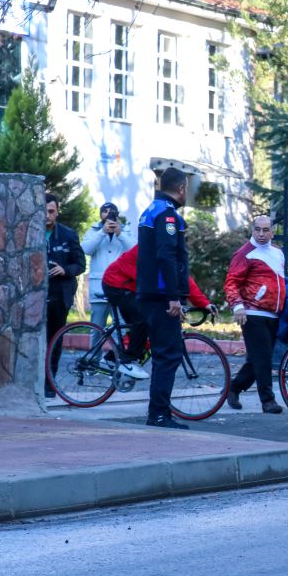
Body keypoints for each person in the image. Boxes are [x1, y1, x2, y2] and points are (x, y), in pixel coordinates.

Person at [102, 245, 216, 378]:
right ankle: (129, 360)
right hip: (116, 284)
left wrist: (204, 304)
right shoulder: (150, 247)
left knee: (144, 325)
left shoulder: (170, 250)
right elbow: (155, 282)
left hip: (137, 287)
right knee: (143, 318)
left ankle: (114, 357)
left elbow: (183, 279)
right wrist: (172, 302)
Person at [136, 167, 191, 429]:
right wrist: (173, 297)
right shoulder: (167, 216)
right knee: (169, 354)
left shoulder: (150, 210)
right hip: (161, 296)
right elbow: (166, 256)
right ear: (181, 189)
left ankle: (157, 412)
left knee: (161, 353)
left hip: (148, 293)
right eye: (186, 189)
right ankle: (159, 414)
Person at [224, 215, 287, 414]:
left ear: (272, 232)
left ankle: (233, 388)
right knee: (264, 359)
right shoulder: (244, 254)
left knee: (257, 359)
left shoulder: (278, 252)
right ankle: (267, 401)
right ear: (252, 230)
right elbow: (231, 282)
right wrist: (238, 306)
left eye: (265, 230)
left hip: (274, 314)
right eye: (257, 229)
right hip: (252, 312)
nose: (261, 234)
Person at [45, 192, 86, 398]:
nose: (47, 216)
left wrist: (65, 270)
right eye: (44, 212)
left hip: (59, 293)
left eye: (51, 211)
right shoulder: (30, 232)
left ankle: (49, 383)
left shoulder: (69, 235)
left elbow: (80, 264)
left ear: (57, 212)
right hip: (36, 294)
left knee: (55, 338)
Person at [81, 201, 135, 330]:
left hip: (121, 288)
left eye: (112, 212)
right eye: (105, 211)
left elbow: (134, 250)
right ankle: (95, 351)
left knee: (122, 328)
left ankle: (116, 351)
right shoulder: (94, 231)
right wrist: (102, 232)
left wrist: (120, 233)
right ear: (100, 215)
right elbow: (86, 249)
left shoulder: (126, 231)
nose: (108, 214)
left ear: (117, 215)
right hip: (99, 288)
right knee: (96, 329)